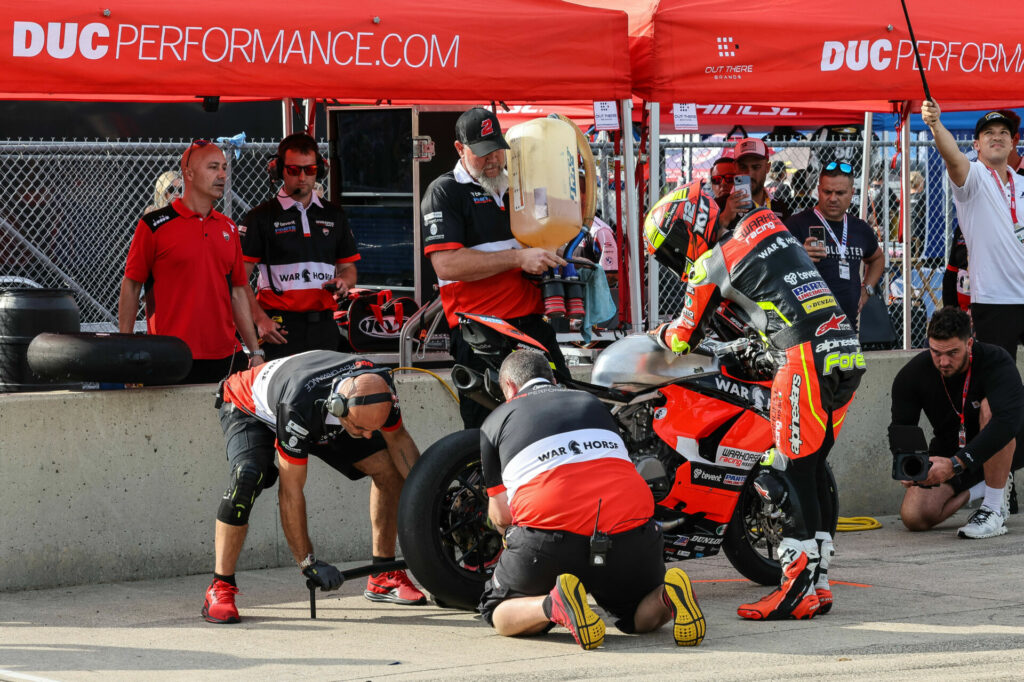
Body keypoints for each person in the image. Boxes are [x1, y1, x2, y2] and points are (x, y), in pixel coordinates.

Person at [646, 180, 864, 621]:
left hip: (800, 356)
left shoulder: (712, 262)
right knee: (809, 471)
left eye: (669, 248)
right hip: (845, 350)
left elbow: (684, 337)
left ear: (688, 228)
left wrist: (657, 335)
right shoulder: (767, 225)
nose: (673, 259)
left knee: (777, 475)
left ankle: (794, 590)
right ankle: (817, 586)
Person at [477, 350, 705, 649]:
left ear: (508, 386)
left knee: (497, 612)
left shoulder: (495, 421)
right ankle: (667, 594)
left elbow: (502, 515)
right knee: (636, 617)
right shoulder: (592, 404)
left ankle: (553, 604)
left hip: (552, 538)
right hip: (632, 532)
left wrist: (510, 538)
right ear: (553, 378)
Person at [201, 350, 425, 624]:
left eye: (372, 428)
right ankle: (220, 586)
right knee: (246, 477)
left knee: (389, 469)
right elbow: (291, 492)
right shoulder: (298, 406)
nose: (368, 435)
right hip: (250, 405)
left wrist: (430, 504)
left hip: (322, 409)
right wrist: (308, 563)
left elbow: (399, 441)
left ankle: (383, 576)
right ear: (339, 407)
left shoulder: (379, 384)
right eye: (361, 429)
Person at [420, 107, 569, 428]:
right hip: (481, 334)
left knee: (563, 411)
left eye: (497, 150)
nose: (493, 160)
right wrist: (518, 259)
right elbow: (445, 264)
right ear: (460, 149)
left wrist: (552, 249)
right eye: (483, 153)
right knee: (489, 431)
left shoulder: (522, 183)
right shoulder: (444, 191)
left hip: (532, 325)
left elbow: (553, 231)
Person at [118, 140, 264, 384]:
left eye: (225, 168)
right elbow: (131, 286)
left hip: (226, 358)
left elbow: (238, 290)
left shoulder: (228, 226)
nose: (222, 175)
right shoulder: (153, 225)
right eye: (213, 167)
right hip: (169, 356)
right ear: (189, 173)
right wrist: (124, 351)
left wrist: (256, 352)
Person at [890, 307, 1023, 538]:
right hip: (953, 450)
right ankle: (982, 488)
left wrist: (956, 464)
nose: (943, 361)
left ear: (969, 344)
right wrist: (910, 465)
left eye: (952, 352)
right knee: (914, 516)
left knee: (991, 409)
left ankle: (994, 507)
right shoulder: (912, 374)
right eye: (936, 352)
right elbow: (902, 427)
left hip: (1003, 443)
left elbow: (1007, 423)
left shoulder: (995, 360)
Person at [239, 133, 360, 361]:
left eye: (310, 170)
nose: (302, 177)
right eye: (294, 170)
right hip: (279, 330)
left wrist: (344, 282)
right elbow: (240, 280)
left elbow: (349, 268)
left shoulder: (334, 215)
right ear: (279, 170)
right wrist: (260, 320)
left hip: (324, 326)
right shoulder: (260, 218)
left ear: (320, 170)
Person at [922, 101, 1024, 362]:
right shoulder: (974, 177)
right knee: (999, 379)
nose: (997, 137)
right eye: (989, 133)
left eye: (1003, 132)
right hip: (995, 299)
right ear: (976, 144)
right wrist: (935, 124)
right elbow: (953, 157)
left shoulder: (1022, 182)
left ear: (1013, 143)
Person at [785, 162, 884, 331]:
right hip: (805, 327)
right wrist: (798, 257)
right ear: (818, 190)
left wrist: (867, 289)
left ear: (852, 193)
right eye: (827, 192)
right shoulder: (796, 224)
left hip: (848, 326)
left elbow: (877, 258)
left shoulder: (860, 228)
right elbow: (775, 267)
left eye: (840, 193)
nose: (832, 198)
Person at [734, 137, 791, 222]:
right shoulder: (721, 205)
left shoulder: (780, 206)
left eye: (756, 167)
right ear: (735, 168)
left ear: (767, 167)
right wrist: (725, 218)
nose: (749, 174)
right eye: (743, 167)